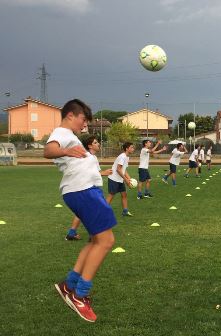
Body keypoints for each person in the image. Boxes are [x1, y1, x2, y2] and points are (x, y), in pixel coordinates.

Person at [45, 99, 116, 322]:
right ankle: (79, 296)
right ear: (70, 116)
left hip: (85, 190)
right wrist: (67, 150)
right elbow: (49, 150)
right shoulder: (62, 132)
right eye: (83, 120)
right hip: (82, 190)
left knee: (96, 241)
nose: (84, 125)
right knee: (106, 241)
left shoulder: (71, 136)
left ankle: (70, 284)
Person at [65, 135, 113, 241]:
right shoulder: (86, 157)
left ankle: (72, 233)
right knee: (96, 210)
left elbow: (95, 173)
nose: (98, 144)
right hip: (86, 188)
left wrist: (104, 173)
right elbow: (86, 173)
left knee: (84, 211)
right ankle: (93, 235)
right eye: (95, 143)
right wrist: (104, 173)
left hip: (89, 187)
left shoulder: (93, 157)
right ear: (89, 145)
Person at [106, 142, 135, 216]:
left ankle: (125, 211)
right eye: (131, 147)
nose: (133, 149)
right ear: (127, 148)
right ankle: (102, 212)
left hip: (120, 179)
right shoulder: (122, 156)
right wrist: (126, 180)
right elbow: (118, 169)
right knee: (111, 196)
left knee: (124, 195)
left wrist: (130, 180)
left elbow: (124, 170)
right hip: (114, 179)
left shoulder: (127, 157)